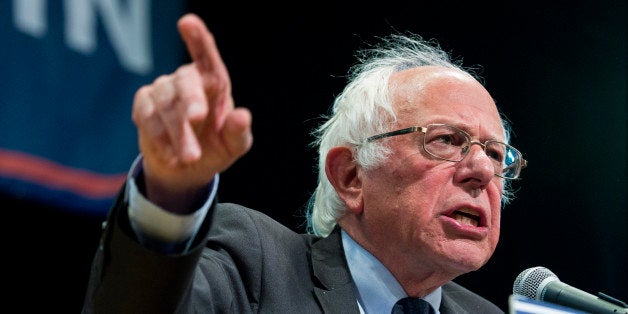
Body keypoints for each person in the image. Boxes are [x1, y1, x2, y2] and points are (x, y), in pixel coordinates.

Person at [83, 13, 527, 314]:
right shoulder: (257, 267)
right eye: (447, 141)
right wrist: (170, 194)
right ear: (351, 177)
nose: (483, 171)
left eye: (494, 153)